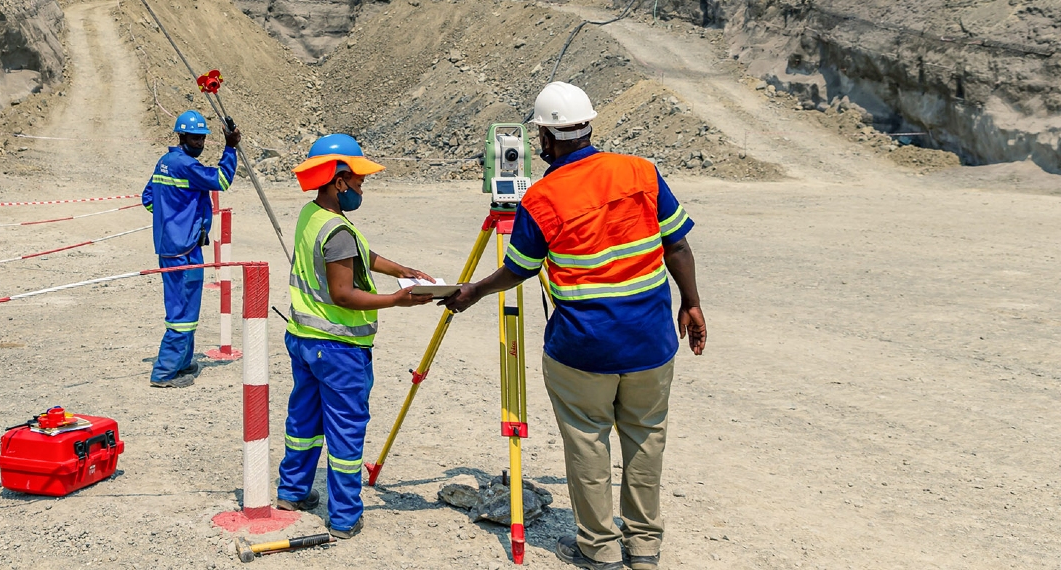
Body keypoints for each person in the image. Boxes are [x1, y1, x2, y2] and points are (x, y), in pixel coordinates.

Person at [443, 82, 706, 570]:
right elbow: (679, 246)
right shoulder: (642, 171)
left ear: (544, 137)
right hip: (651, 341)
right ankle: (644, 547)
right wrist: (691, 303)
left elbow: (519, 268)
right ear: (588, 124)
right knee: (647, 439)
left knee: (588, 442)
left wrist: (472, 291)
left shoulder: (542, 197)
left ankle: (600, 549)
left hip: (583, 349)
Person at [275, 134, 435, 538]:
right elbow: (342, 292)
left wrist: (401, 269)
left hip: (305, 338)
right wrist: (396, 300)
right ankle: (345, 517)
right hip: (339, 347)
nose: (364, 187)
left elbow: (359, 257)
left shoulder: (313, 216)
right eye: (359, 180)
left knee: (305, 420)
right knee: (345, 431)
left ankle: (291, 492)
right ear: (339, 180)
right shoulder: (338, 230)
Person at [141, 110, 240, 388]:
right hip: (183, 250)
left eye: (202, 138)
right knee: (182, 313)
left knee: (188, 308)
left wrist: (170, 219)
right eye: (195, 138)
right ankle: (165, 372)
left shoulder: (165, 162)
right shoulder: (185, 165)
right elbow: (221, 180)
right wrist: (230, 147)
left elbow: (148, 198)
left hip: (172, 246)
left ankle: (183, 362)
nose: (200, 143)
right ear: (181, 136)